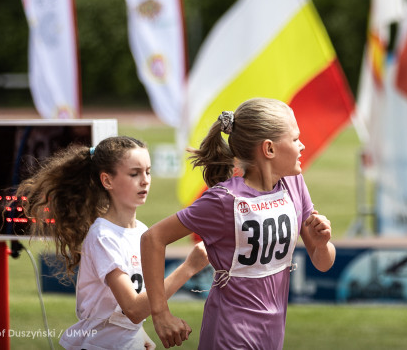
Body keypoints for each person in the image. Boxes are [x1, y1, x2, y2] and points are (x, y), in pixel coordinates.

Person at [141, 98, 335, 350]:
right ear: (269, 149)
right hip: (228, 336)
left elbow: (323, 263)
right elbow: (152, 238)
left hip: (272, 337)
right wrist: (160, 315)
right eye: (295, 139)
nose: (302, 146)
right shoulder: (224, 200)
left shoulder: (293, 184)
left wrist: (322, 245)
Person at [15, 135, 209, 350]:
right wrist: (188, 268)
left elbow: (124, 310)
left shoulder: (142, 231)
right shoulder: (103, 237)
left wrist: (139, 334)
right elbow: (133, 309)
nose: (145, 180)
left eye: (148, 171)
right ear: (107, 181)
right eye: (134, 174)